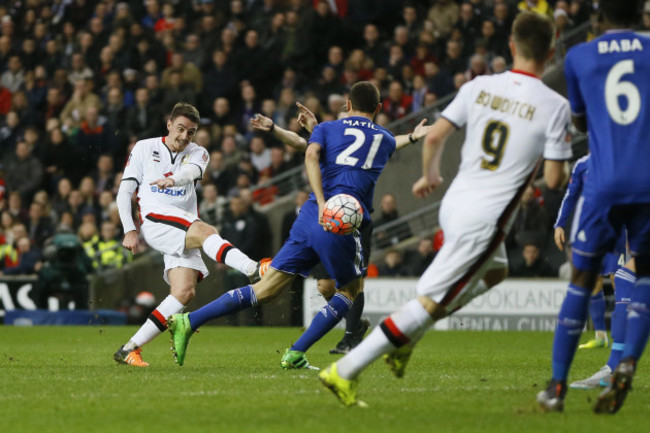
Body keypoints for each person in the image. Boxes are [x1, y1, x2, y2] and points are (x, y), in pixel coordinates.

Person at [318, 12, 571, 407]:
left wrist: (429, 175)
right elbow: (554, 180)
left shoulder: (480, 85)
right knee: (429, 302)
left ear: (510, 46)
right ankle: (345, 371)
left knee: (498, 272)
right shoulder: (555, 105)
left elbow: (435, 134)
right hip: (486, 219)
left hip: (454, 203)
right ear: (552, 49)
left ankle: (405, 337)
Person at [167, 82, 399, 369]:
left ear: (348, 104)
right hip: (341, 222)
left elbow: (311, 152)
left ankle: (189, 321)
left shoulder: (326, 129)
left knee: (266, 290)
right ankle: (296, 352)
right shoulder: (386, 140)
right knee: (348, 293)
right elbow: (361, 150)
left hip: (309, 215)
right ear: (378, 108)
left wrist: (322, 199)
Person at [538, 1, 650, 414]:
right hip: (649, 182)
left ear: (598, 20)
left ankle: (557, 387)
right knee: (645, 277)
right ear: (642, 17)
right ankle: (625, 365)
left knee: (582, 279)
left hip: (604, 183)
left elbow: (581, 122)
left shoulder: (579, 56)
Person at [250, 101, 432, 354]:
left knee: (353, 282)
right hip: (324, 217)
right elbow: (299, 144)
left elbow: (391, 141)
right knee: (325, 286)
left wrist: (412, 136)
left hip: (354, 217)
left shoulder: (368, 142)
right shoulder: (326, 139)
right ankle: (354, 326)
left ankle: (350, 337)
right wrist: (274, 129)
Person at [113, 103, 269, 367]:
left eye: (191, 132)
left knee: (184, 292)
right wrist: (129, 229)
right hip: (155, 219)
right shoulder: (143, 147)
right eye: (181, 129)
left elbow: (192, 172)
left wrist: (173, 180)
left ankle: (129, 348)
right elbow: (125, 192)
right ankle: (253, 269)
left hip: (183, 222)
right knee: (207, 231)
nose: (185, 136)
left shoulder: (199, 152)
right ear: (169, 124)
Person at [553, 154, 627, 352]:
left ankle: (622, 338)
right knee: (591, 279)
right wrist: (559, 224)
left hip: (618, 229)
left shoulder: (620, 158)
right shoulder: (582, 165)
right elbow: (570, 196)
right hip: (591, 229)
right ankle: (600, 336)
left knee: (618, 278)